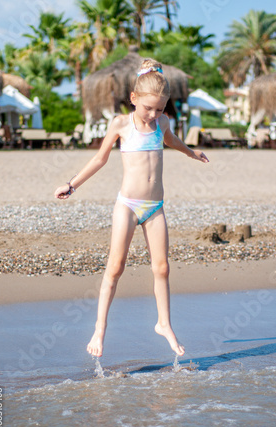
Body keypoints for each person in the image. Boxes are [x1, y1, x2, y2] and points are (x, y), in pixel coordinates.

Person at [54, 58, 209, 358]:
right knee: (115, 268)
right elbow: (100, 159)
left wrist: (192, 153)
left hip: (155, 206)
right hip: (127, 205)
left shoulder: (162, 123)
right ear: (134, 99)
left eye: (160, 109)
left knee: (162, 268)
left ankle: (163, 323)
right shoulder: (121, 124)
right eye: (148, 108)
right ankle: (99, 329)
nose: (153, 115)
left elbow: (173, 140)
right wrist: (71, 184)